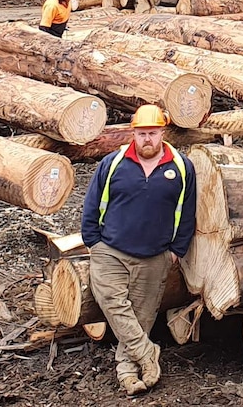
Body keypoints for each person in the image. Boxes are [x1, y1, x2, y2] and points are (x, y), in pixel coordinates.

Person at [80, 104, 197, 395]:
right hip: (111, 249)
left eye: (153, 133)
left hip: (155, 255)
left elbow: (188, 212)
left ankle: (128, 372)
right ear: (134, 133)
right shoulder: (113, 164)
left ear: (162, 133)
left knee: (142, 317)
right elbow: (92, 203)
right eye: (142, 133)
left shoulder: (181, 167)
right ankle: (147, 355)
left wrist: (176, 250)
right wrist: (93, 240)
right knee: (113, 303)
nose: (147, 139)